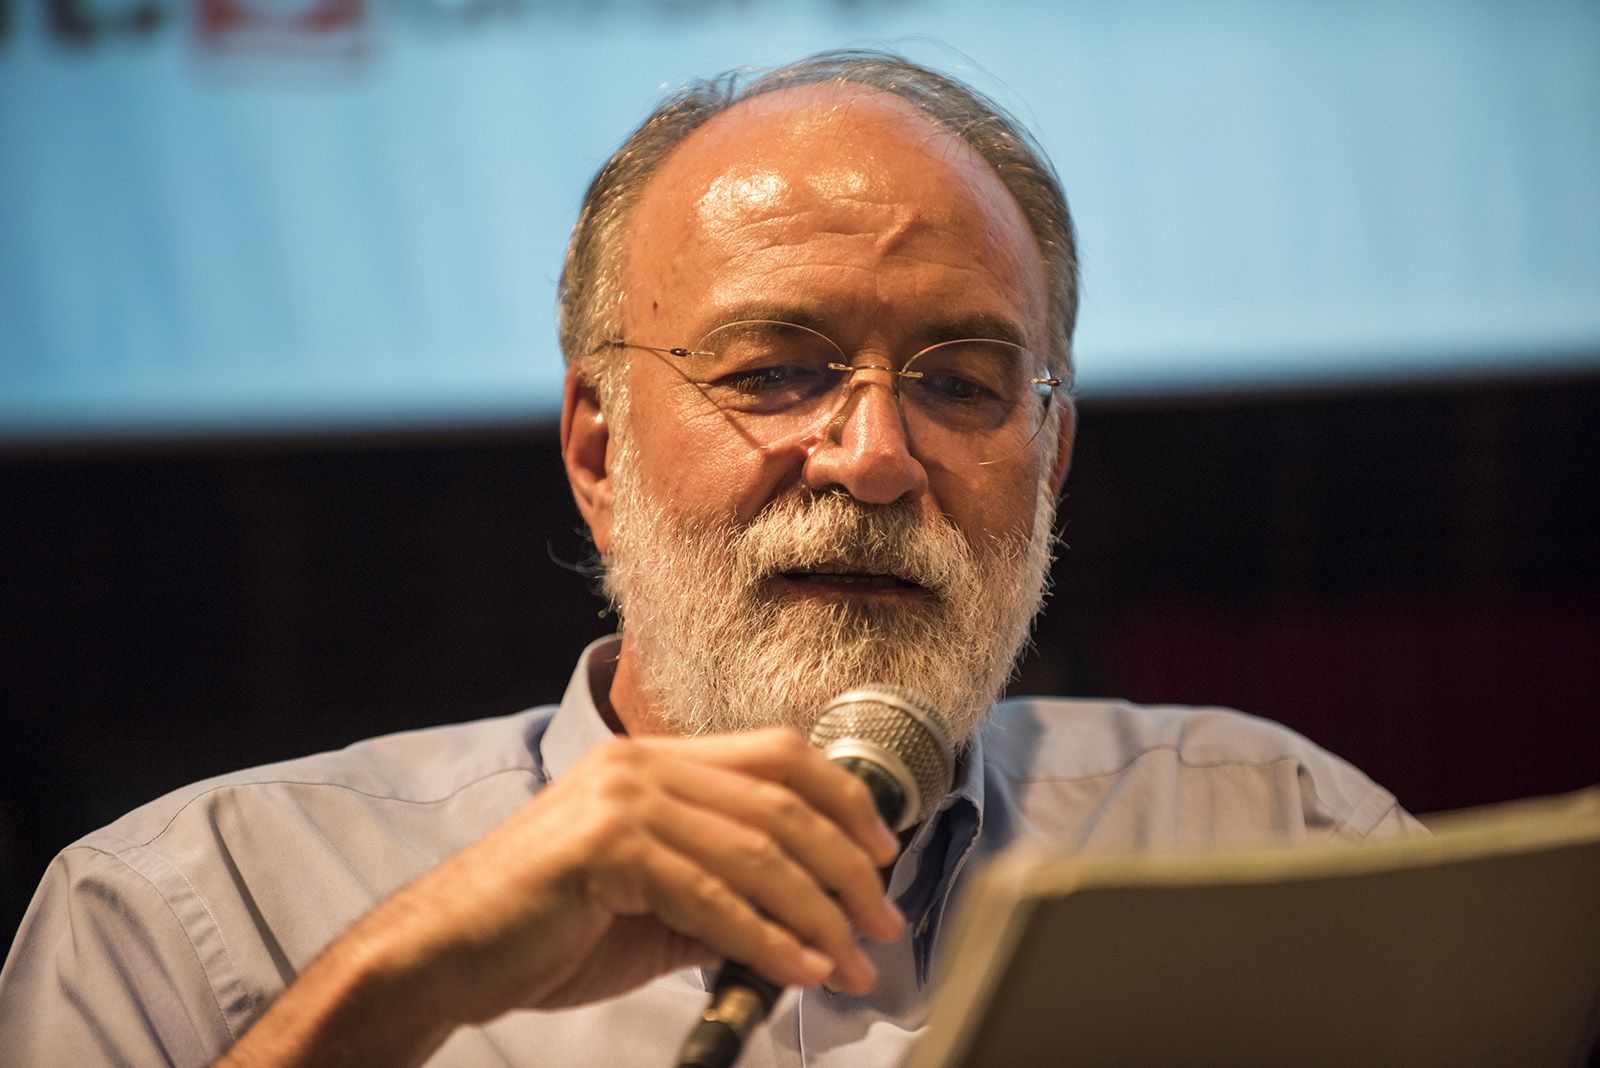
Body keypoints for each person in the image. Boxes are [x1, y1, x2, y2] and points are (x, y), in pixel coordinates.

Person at [0, 50, 1421, 1066]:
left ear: (1050, 462)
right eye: (780, 371)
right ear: (600, 450)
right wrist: (391, 990)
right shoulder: (197, 913)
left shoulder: (1285, 848)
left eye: (964, 385)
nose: (874, 456)